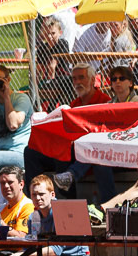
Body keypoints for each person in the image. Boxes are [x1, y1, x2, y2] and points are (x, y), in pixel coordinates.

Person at [24, 63, 113, 199]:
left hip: (89, 150)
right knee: (31, 151)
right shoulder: (74, 104)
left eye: (81, 78)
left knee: (64, 150)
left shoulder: (104, 101)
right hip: (73, 148)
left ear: (92, 79)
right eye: (74, 79)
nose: (77, 82)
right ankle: (33, 197)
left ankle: (69, 199)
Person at [36, 16, 72, 104]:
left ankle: (53, 107)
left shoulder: (63, 43)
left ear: (60, 33)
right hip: (48, 79)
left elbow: (52, 66)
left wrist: (50, 83)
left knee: (63, 86)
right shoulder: (42, 48)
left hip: (62, 77)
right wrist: (35, 85)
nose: (50, 37)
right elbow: (38, 70)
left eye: (53, 33)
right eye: (47, 34)